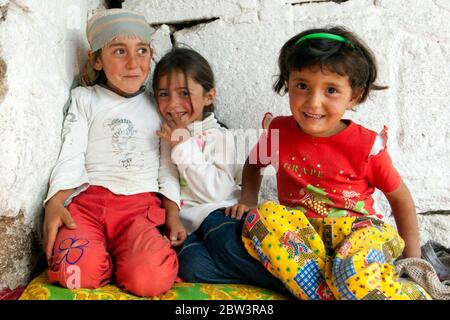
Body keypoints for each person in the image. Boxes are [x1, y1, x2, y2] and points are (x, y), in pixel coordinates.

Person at [228, 26, 432, 300]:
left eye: (331, 90)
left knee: (352, 274)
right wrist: (249, 200)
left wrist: (412, 260)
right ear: (288, 83)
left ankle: (404, 291)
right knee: (259, 220)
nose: (313, 103)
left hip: (359, 236)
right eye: (302, 86)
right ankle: (333, 292)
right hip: (304, 241)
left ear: (355, 96)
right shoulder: (279, 133)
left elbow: (401, 198)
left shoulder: (366, 147)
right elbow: (254, 163)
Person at [42, 9, 186, 297]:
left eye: (142, 50)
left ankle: (125, 262)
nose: (133, 63)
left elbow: (167, 165)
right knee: (75, 274)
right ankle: (101, 261)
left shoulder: (157, 106)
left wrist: (172, 212)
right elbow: (71, 152)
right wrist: (54, 204)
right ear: (97, 59)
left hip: (139, 212)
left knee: (151, 281)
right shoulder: (86, 100)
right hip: (87, 207)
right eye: (119, 51)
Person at [152, 47, 285, 293]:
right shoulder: (167, 136)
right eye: (163, 94)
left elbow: (217, 192)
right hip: (193, 231)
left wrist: (183, 147)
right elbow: (167, 179)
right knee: (190, 265)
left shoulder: (217, 136)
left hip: (222, 215)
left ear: (208, 96)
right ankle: (264, 277)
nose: (172, 104)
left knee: (222, 238)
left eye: (184, 93)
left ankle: (290, 280)